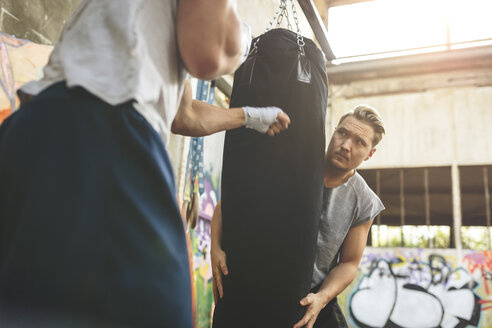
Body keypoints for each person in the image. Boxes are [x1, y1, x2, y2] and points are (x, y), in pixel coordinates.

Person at [0, 1, 289, 327]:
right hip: (103, 125)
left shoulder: (142, 22)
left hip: (33, 132)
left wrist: (251, 117)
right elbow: (209, 50)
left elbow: (185, 115)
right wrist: (243, 39)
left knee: (30, 301)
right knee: (158, 310)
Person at [211, 105, 386, 328]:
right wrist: (215, 248)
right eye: (342, 133)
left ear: (370, 153)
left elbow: (349, 263)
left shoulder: (365, 201)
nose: (345, 145)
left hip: (310, 296)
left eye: (359, 142)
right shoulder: (292, 163)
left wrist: (322, 298)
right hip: (256, 283)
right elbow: (230, 202)